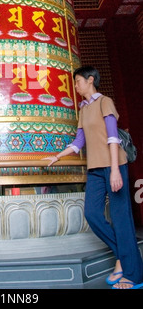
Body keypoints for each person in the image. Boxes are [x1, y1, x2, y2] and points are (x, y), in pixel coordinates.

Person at [45, 66, 143, 289]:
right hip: (95, 169)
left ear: (90, 80)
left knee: (121, 220)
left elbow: (112, 137)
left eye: (78, 81)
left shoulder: (104, 102)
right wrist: (57, 156)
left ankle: (134, 275)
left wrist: (116, 170)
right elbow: (79, 142)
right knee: (92, 214)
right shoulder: (83, 109)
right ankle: (122, 255)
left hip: (113, 164)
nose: (76, 86)